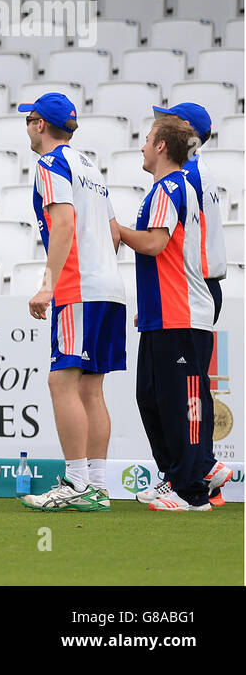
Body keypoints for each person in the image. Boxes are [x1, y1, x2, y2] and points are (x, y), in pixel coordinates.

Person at [17, 93, 127, 513]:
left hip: (78, 287)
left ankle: (77, 482)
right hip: (108, 287)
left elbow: (62, 224)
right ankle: (96, 486)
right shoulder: (89, 167)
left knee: (62, 381)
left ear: (39, 124)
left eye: (29, 118)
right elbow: (114, 232)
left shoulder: (50, 164)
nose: (27, 125)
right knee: (90, 388)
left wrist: (49, 283)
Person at [115, 115, 216, 512]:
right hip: (165, 314)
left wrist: (117, 231)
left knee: (181, 403)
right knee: (152, 399)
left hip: (183, 316)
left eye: (146, 139)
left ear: (161, 147)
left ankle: (192, 492)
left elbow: (156, 244)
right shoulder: (169, 188)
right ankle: (175, 479)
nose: (141, 145)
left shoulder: (169, 188)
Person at [138, 102, 234, 507]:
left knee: (183, 395)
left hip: (188, 289)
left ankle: (192, 477)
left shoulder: (182, 179)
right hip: (188, 287)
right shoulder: (200, 173)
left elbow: (163, 242)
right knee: (167, 393)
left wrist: (118, 231)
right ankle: (197, 469)